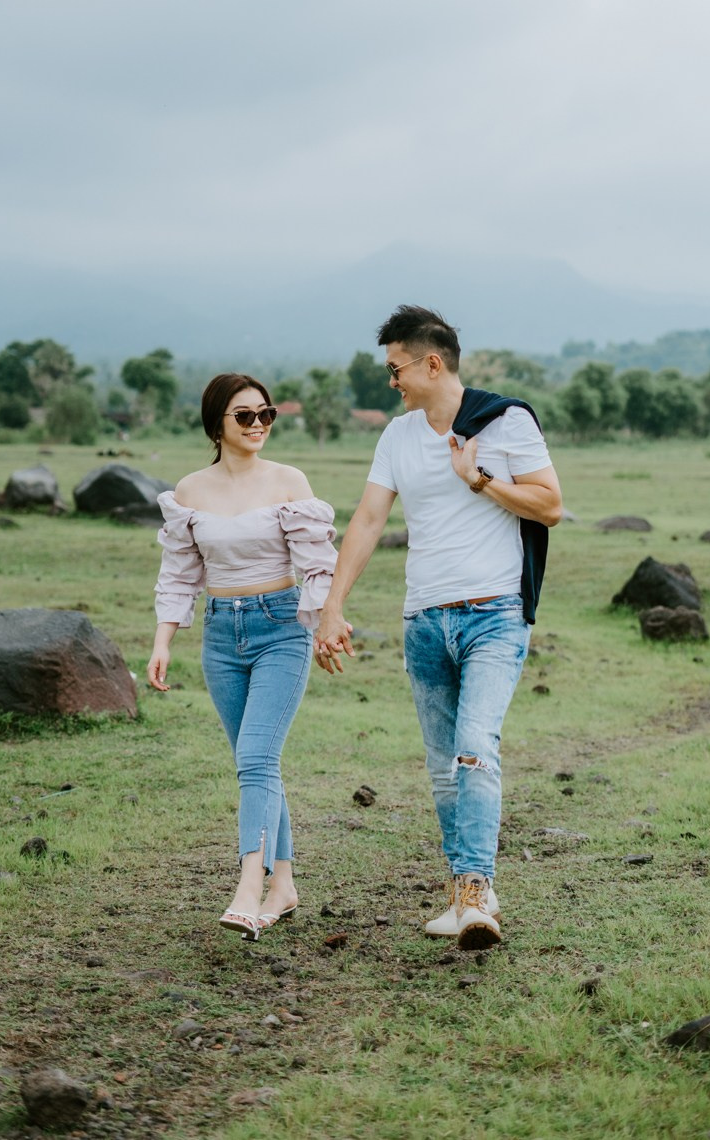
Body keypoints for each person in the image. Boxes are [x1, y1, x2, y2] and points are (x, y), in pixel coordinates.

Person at [314, 306, 563, 950]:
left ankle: (477, 891)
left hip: (493, 615)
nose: (390, 380)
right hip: (423, 621)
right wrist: (333, 606)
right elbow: (369, 520)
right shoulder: (397, 437)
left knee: (475, 746)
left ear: (431, 363)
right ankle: (462, 892)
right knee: (443, 767)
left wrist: (479, 480)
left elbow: (550, 505)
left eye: (395, 368)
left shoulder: (505, 421)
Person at [147, 372, 348, 941]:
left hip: (280, 629)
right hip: (220, 636)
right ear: (217, 424)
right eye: (245, 416)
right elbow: (179, 573)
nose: (258, 424)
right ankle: (283, 886)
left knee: (256, 759)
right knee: (256, 763)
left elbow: (318, 564)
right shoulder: (190, 491)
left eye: (266, 414)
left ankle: (248, 888)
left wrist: (325, 622)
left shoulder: (288, 481)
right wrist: (163, 641)